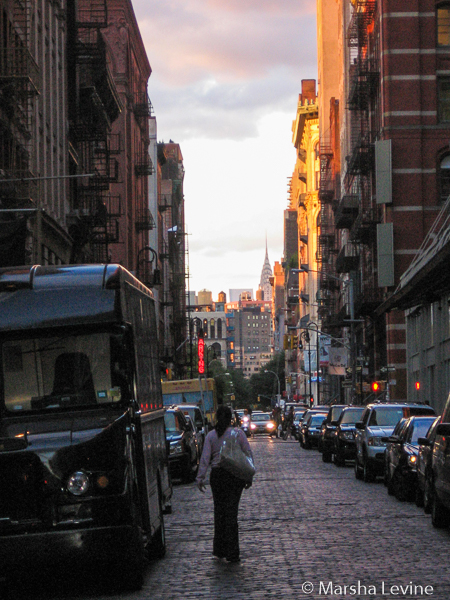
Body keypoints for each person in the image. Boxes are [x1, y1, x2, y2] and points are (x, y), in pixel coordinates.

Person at [196, 405, 254, 563]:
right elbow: (247, 454)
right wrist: (249, 476)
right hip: (235, 476)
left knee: (219, 512)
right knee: (232, 513)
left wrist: (200, 477)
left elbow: (205, 458)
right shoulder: (238, 434)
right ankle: (233, 552)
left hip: (218, 476)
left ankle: (219, 550)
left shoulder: (211, 436)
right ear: (231, 419)